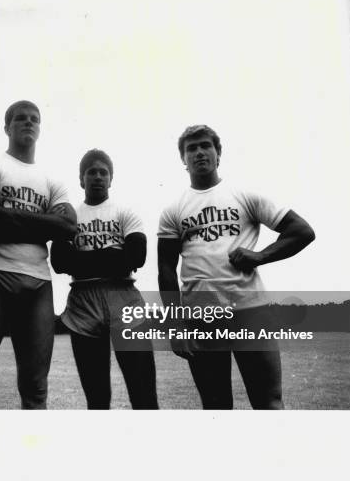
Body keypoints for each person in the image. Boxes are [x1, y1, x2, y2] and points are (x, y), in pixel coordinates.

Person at [157, 124, 315, 409]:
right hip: (201, 317)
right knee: (216, 407)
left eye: (206, 145)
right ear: (183, 159)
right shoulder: (173, 210)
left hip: (251, 311)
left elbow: (302, 231)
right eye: (191, 148)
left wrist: (261, 255)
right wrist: (175, 327)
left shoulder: (245, 195)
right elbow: (166, 269)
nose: (199, 152)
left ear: (218, 153)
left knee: (268, 403)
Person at [0, 100, 77, 409]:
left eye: (34, 119)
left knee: (36, 388)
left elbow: (69, 227)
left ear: (40, 128)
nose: (28, 122)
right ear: (7, 127)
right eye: (20, 118)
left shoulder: (52, 180)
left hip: (37, 283)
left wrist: (11, 219)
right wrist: (49, 224)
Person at [51, 149, 158, 409]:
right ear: (81, 179)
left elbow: (137, 257)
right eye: (92, 172)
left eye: (103, 172)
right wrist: (112, 255)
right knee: (97, 397)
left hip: (123, 297)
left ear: (111, 179)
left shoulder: (125, 212)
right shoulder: (69, 216)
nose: (98, 177)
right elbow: (60, 263)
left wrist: (83, 260)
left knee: (143, 393)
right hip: (83, 302)